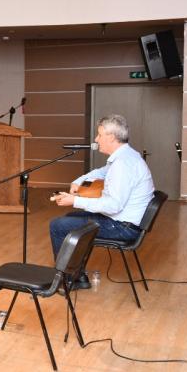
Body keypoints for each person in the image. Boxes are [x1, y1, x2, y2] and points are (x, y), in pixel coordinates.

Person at [50, 114, 154, 288]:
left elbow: (113, 206)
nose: (96, 139)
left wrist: (75, 200)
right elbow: (102, 172)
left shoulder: (123, 165)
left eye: (99, 135)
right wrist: (79, 181)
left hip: (123, 228)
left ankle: (68, 280)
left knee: (58, 225)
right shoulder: (126, 156)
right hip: (125, 222)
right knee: (70, 218)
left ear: (112, 137)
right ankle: (77, 275)